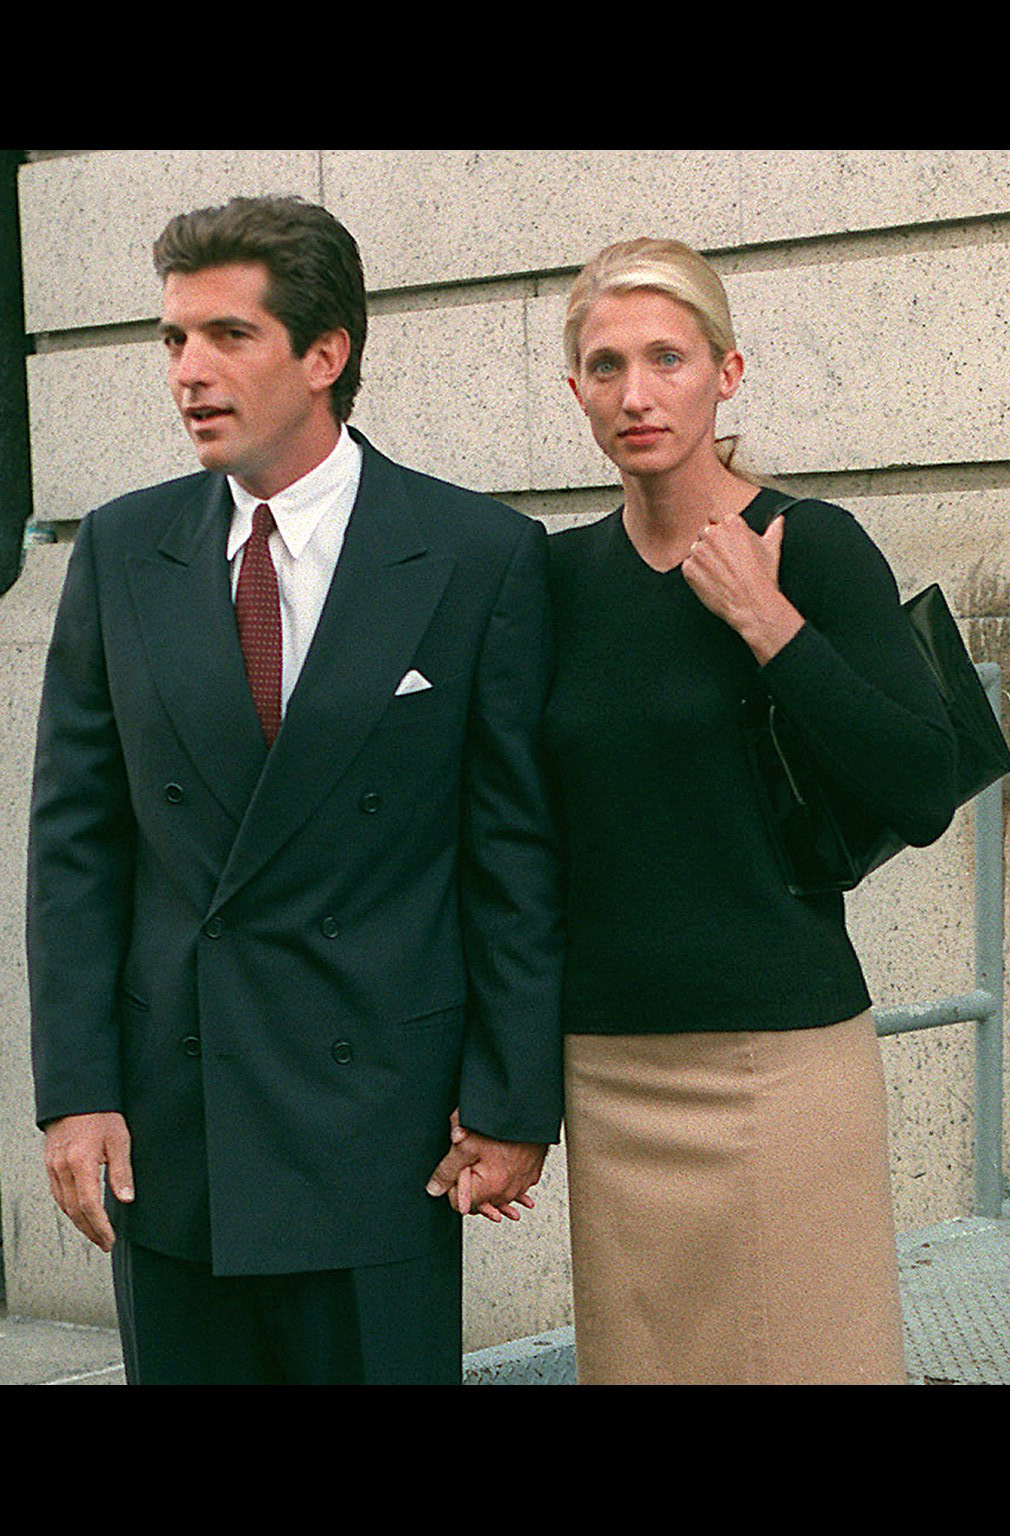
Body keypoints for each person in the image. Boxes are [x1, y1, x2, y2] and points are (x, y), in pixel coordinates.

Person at [27, 195, 564, 1386]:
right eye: (172, 340)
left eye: (227, 337)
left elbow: (513, 854)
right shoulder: (121, 550)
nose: (187, 372)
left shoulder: (477, 555)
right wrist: (75, 1093)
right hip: (175, 1120)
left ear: (326, 356)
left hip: (384, 1122)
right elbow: (75, 847)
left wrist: (515, 1100)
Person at [544, 237, 958, 1385]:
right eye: (606, 363)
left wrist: (770, 626)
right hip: (609, 1072)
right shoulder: (556, 583)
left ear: (727, 374)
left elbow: (923, 787)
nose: (637, 393)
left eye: (668, 357)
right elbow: (524, 837)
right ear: (573, 390)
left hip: (778, 1064)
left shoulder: (808, 545)